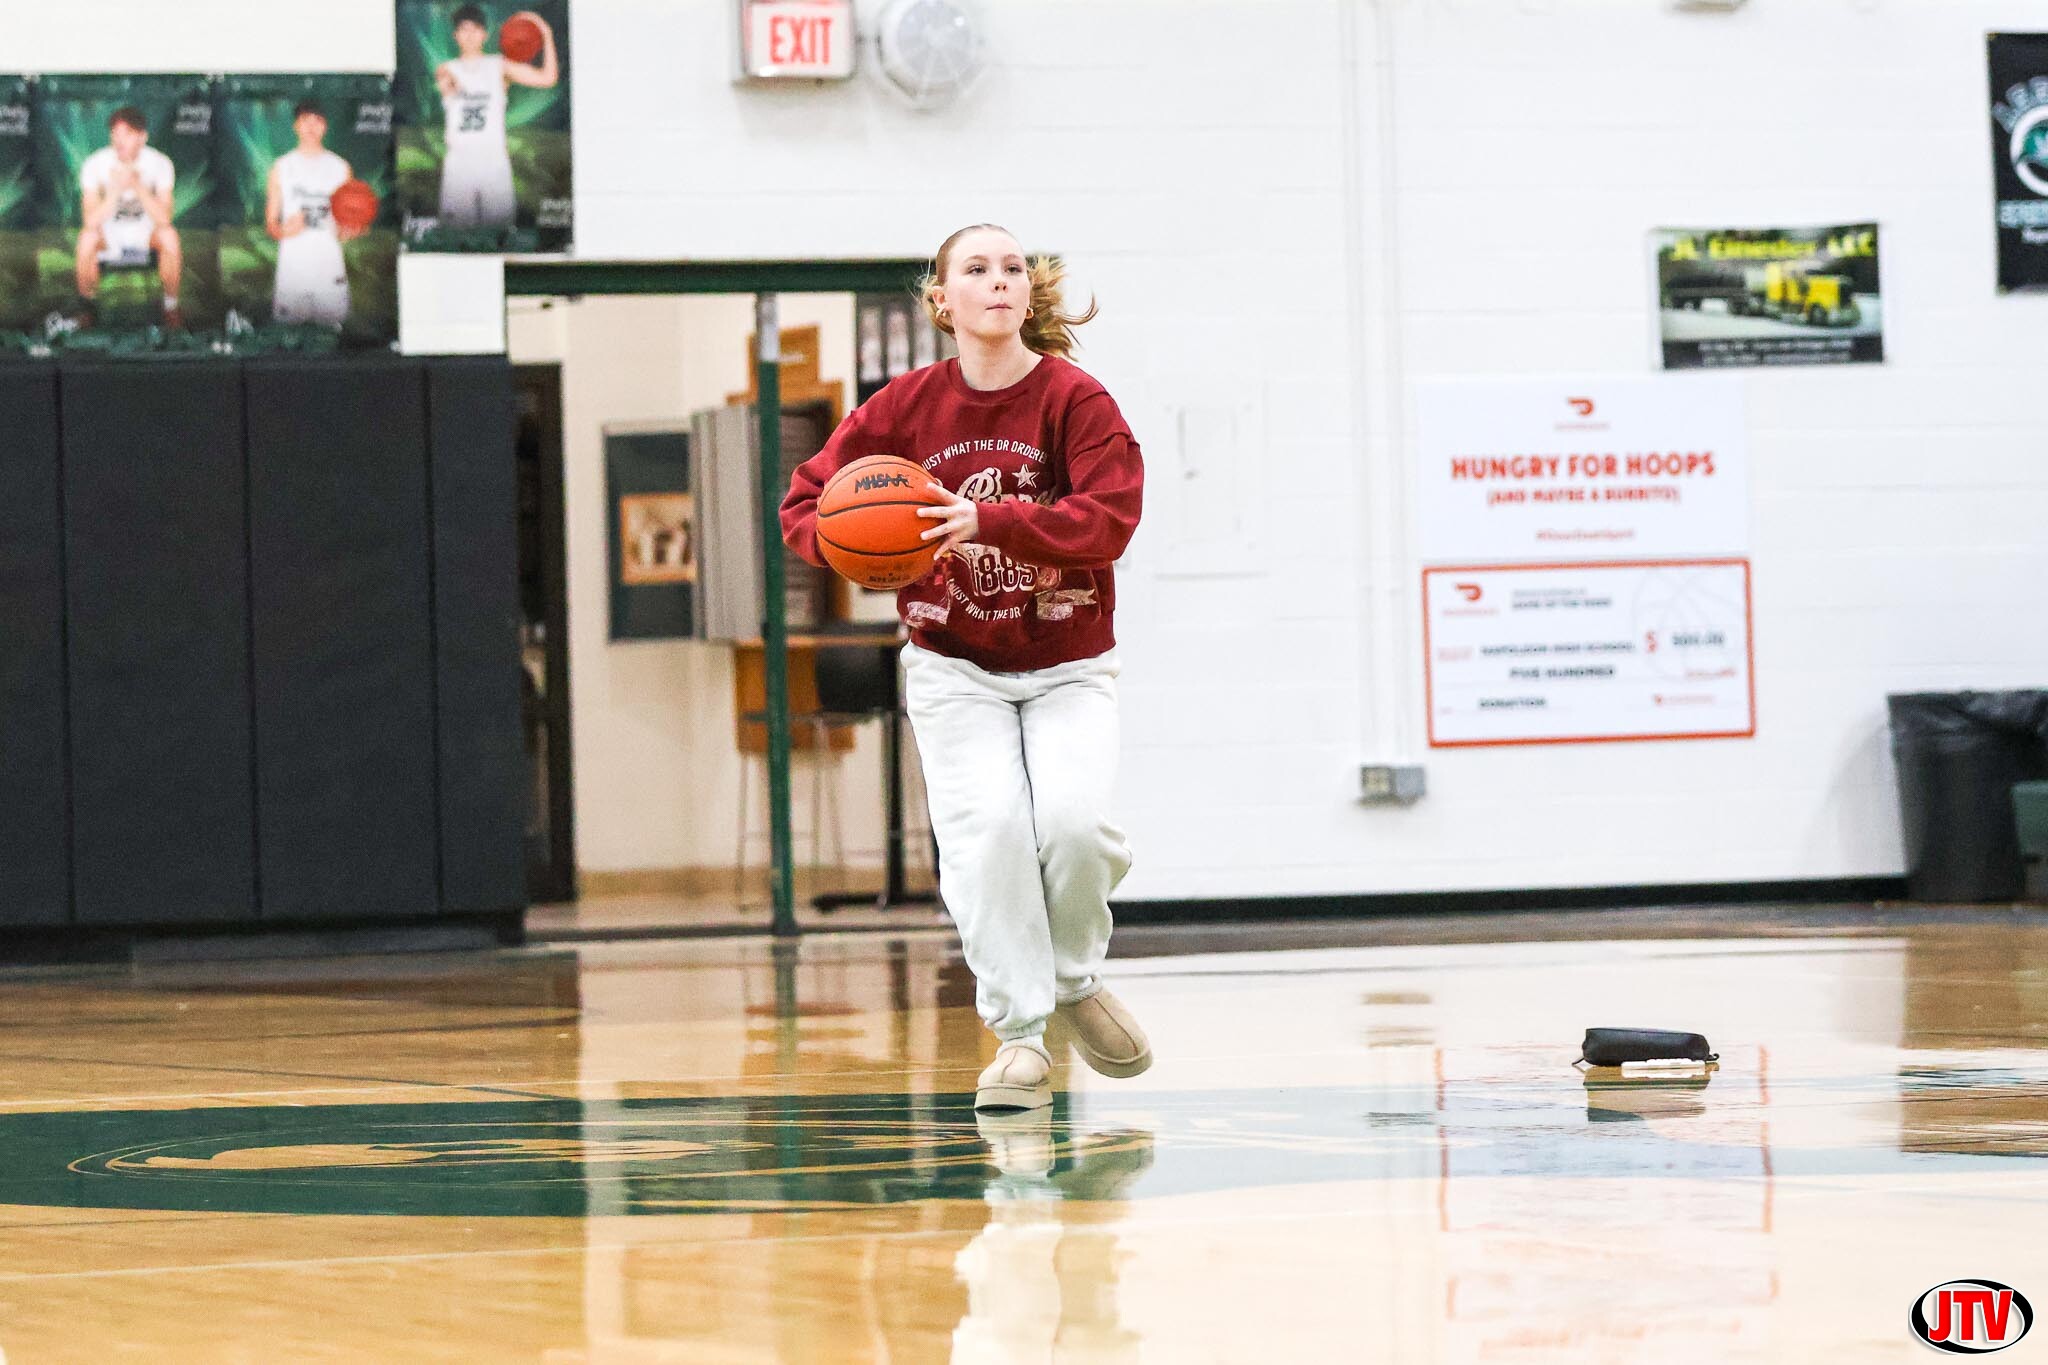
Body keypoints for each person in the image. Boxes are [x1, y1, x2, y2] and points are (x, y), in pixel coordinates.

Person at [781, 224, 1149, 1113]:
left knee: (1073, 827)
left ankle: (1074, 979)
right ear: (943, 301)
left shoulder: (1075, 400)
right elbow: (805, 505)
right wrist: (863, 553)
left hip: (1066, 659)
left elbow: (1110, 519)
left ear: (1028, 293)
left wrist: (991, 522)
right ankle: (1020, 1036)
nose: (999, 280)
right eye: (977, 269)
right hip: (953, 664)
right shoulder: (905, 407)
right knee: (988, 835)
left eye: (1013, 268)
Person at [435, 4, 558, 229]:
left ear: (485, 34)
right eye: (464, 29)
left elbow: (548, 78)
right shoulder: (446, 69)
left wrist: (546, 33)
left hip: (493, 160)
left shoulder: (500, 66)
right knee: (454, 236)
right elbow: (449, 87)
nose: (470, 35)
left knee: (500, 233)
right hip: (459, 162)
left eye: (475, 29)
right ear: (455, 35)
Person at [75, 106, 181, 329]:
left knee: (169, 236)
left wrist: (136, 185)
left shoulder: (160, 163)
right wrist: (115, 190)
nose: (119, 141)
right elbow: (90, 221)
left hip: (146, 232)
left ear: (142, 137)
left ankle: (171, 308)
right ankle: (87, 308)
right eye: (115, 134)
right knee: (86, 238)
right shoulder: (95, 163)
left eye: (127, 134)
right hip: (109, 232)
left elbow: (164, 219)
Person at [266, 101, 360, 328]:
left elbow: (348, 222)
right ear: (295, 126)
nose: (311, 127)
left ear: (325, 126)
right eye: (305, 120)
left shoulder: (341, 168)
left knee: (334, 336)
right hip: (292, 268)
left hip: (329, 266)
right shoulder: (281, 167)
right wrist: (283, 230)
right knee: (288, 338)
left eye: (317, 121)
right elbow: (271, 225)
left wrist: (349, 230)